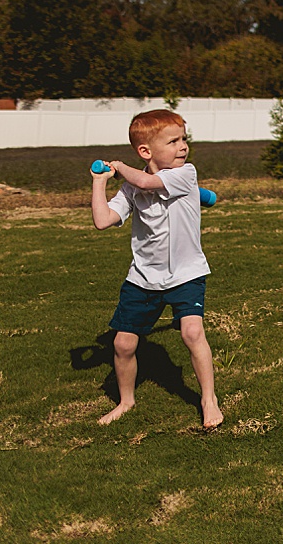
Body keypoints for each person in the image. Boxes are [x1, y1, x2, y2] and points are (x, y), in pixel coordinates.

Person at [91, 109, 223, 429]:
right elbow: (102, 220)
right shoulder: (131, 190)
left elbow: (148, 181)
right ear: (146, 151)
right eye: (173, 141)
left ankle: (208, 399)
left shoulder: (184, 174)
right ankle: (126, 401)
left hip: (186, 273)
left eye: (184, 139)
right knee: (123, 344)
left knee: (192, 332)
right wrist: (99, 183)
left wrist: (121, 167)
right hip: (143, 277)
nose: (183, 146)